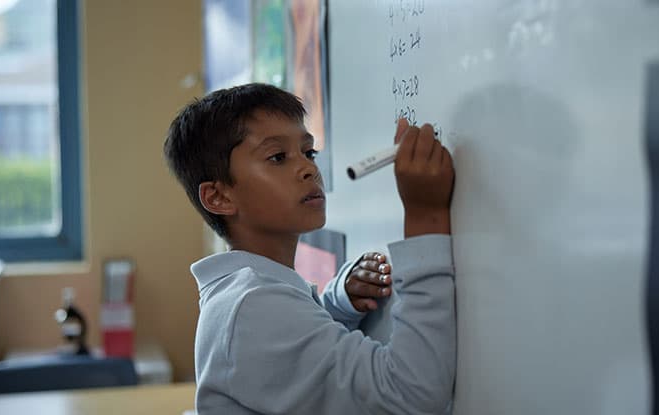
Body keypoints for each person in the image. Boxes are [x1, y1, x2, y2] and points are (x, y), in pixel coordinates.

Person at [163, 83, 455, 414]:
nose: (308, 168)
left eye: (308, 152)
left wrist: (338, 307)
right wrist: (425, 216)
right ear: (219, 197)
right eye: (277, 157)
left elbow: (296, 369)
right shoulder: (252, 307)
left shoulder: (248, 295)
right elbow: (410, 394)